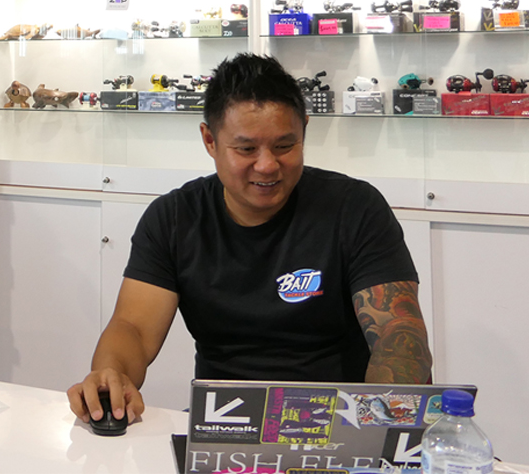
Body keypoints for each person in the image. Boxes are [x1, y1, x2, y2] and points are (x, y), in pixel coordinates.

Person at [67, 53, 432, 428]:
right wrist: (112, 375)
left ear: (304, 131)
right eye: (246, 149)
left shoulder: (355, 208)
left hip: (338, 423)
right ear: (210, 140)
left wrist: (381, 424)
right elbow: (133, 328)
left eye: (285, 146)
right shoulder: (174, 218)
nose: (267, 165)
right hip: (223, 420)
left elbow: (398, 333)